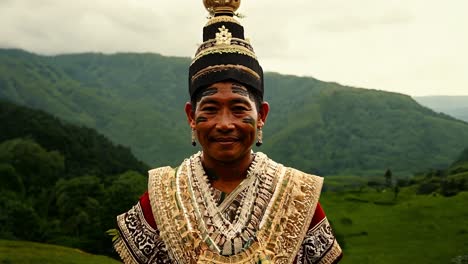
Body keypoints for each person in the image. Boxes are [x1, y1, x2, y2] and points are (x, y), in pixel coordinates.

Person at [112, 1, 343, 263]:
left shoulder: (296, 194)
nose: (224, 123)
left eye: (238, 107)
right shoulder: (162, 196)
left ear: (262, 116)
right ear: (191, 116)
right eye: (210, 108)